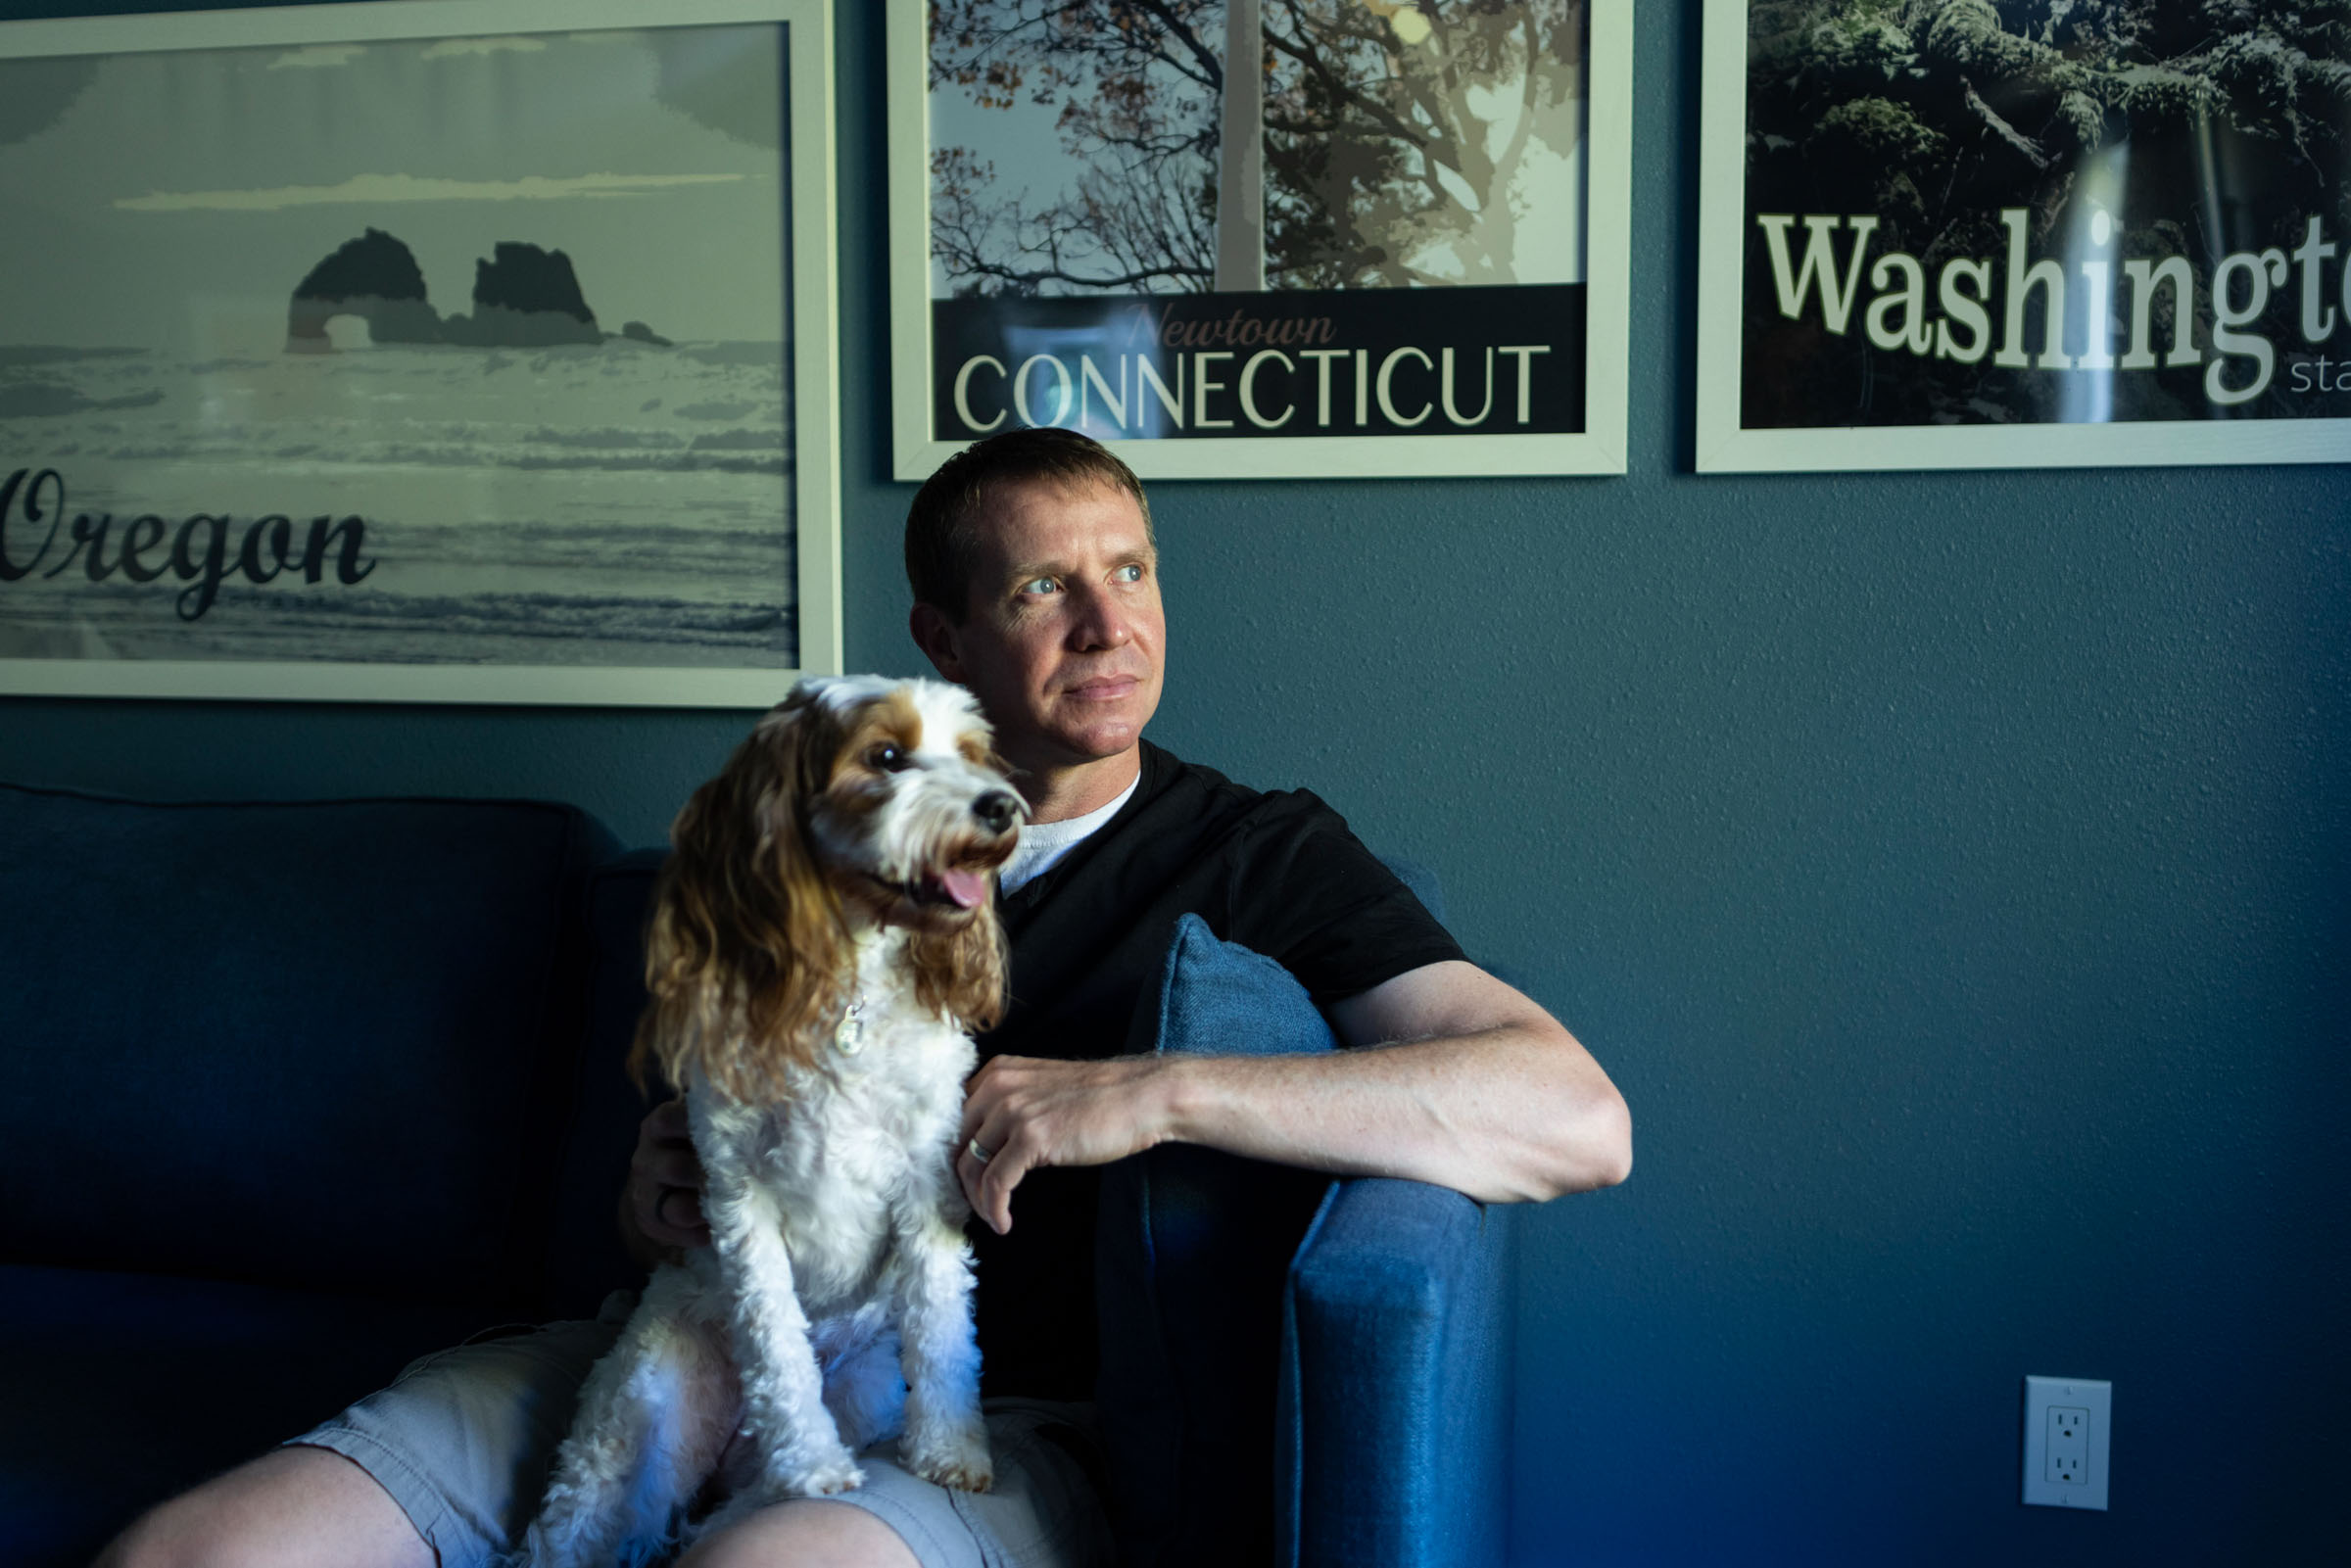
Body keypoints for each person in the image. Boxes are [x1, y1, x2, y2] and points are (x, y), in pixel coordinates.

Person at [99, 429, 1631, 1568]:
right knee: (192, 1551)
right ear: (943, 641)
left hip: (988, 1425)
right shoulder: (805, 838)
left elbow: (1575, 1116)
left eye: (1132, 570)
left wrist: (1153, 1091)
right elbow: (703, 1165)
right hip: (679, 1344)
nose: (1110, 626)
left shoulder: (1258, 853)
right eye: (1044, 587)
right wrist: (649, 1203)